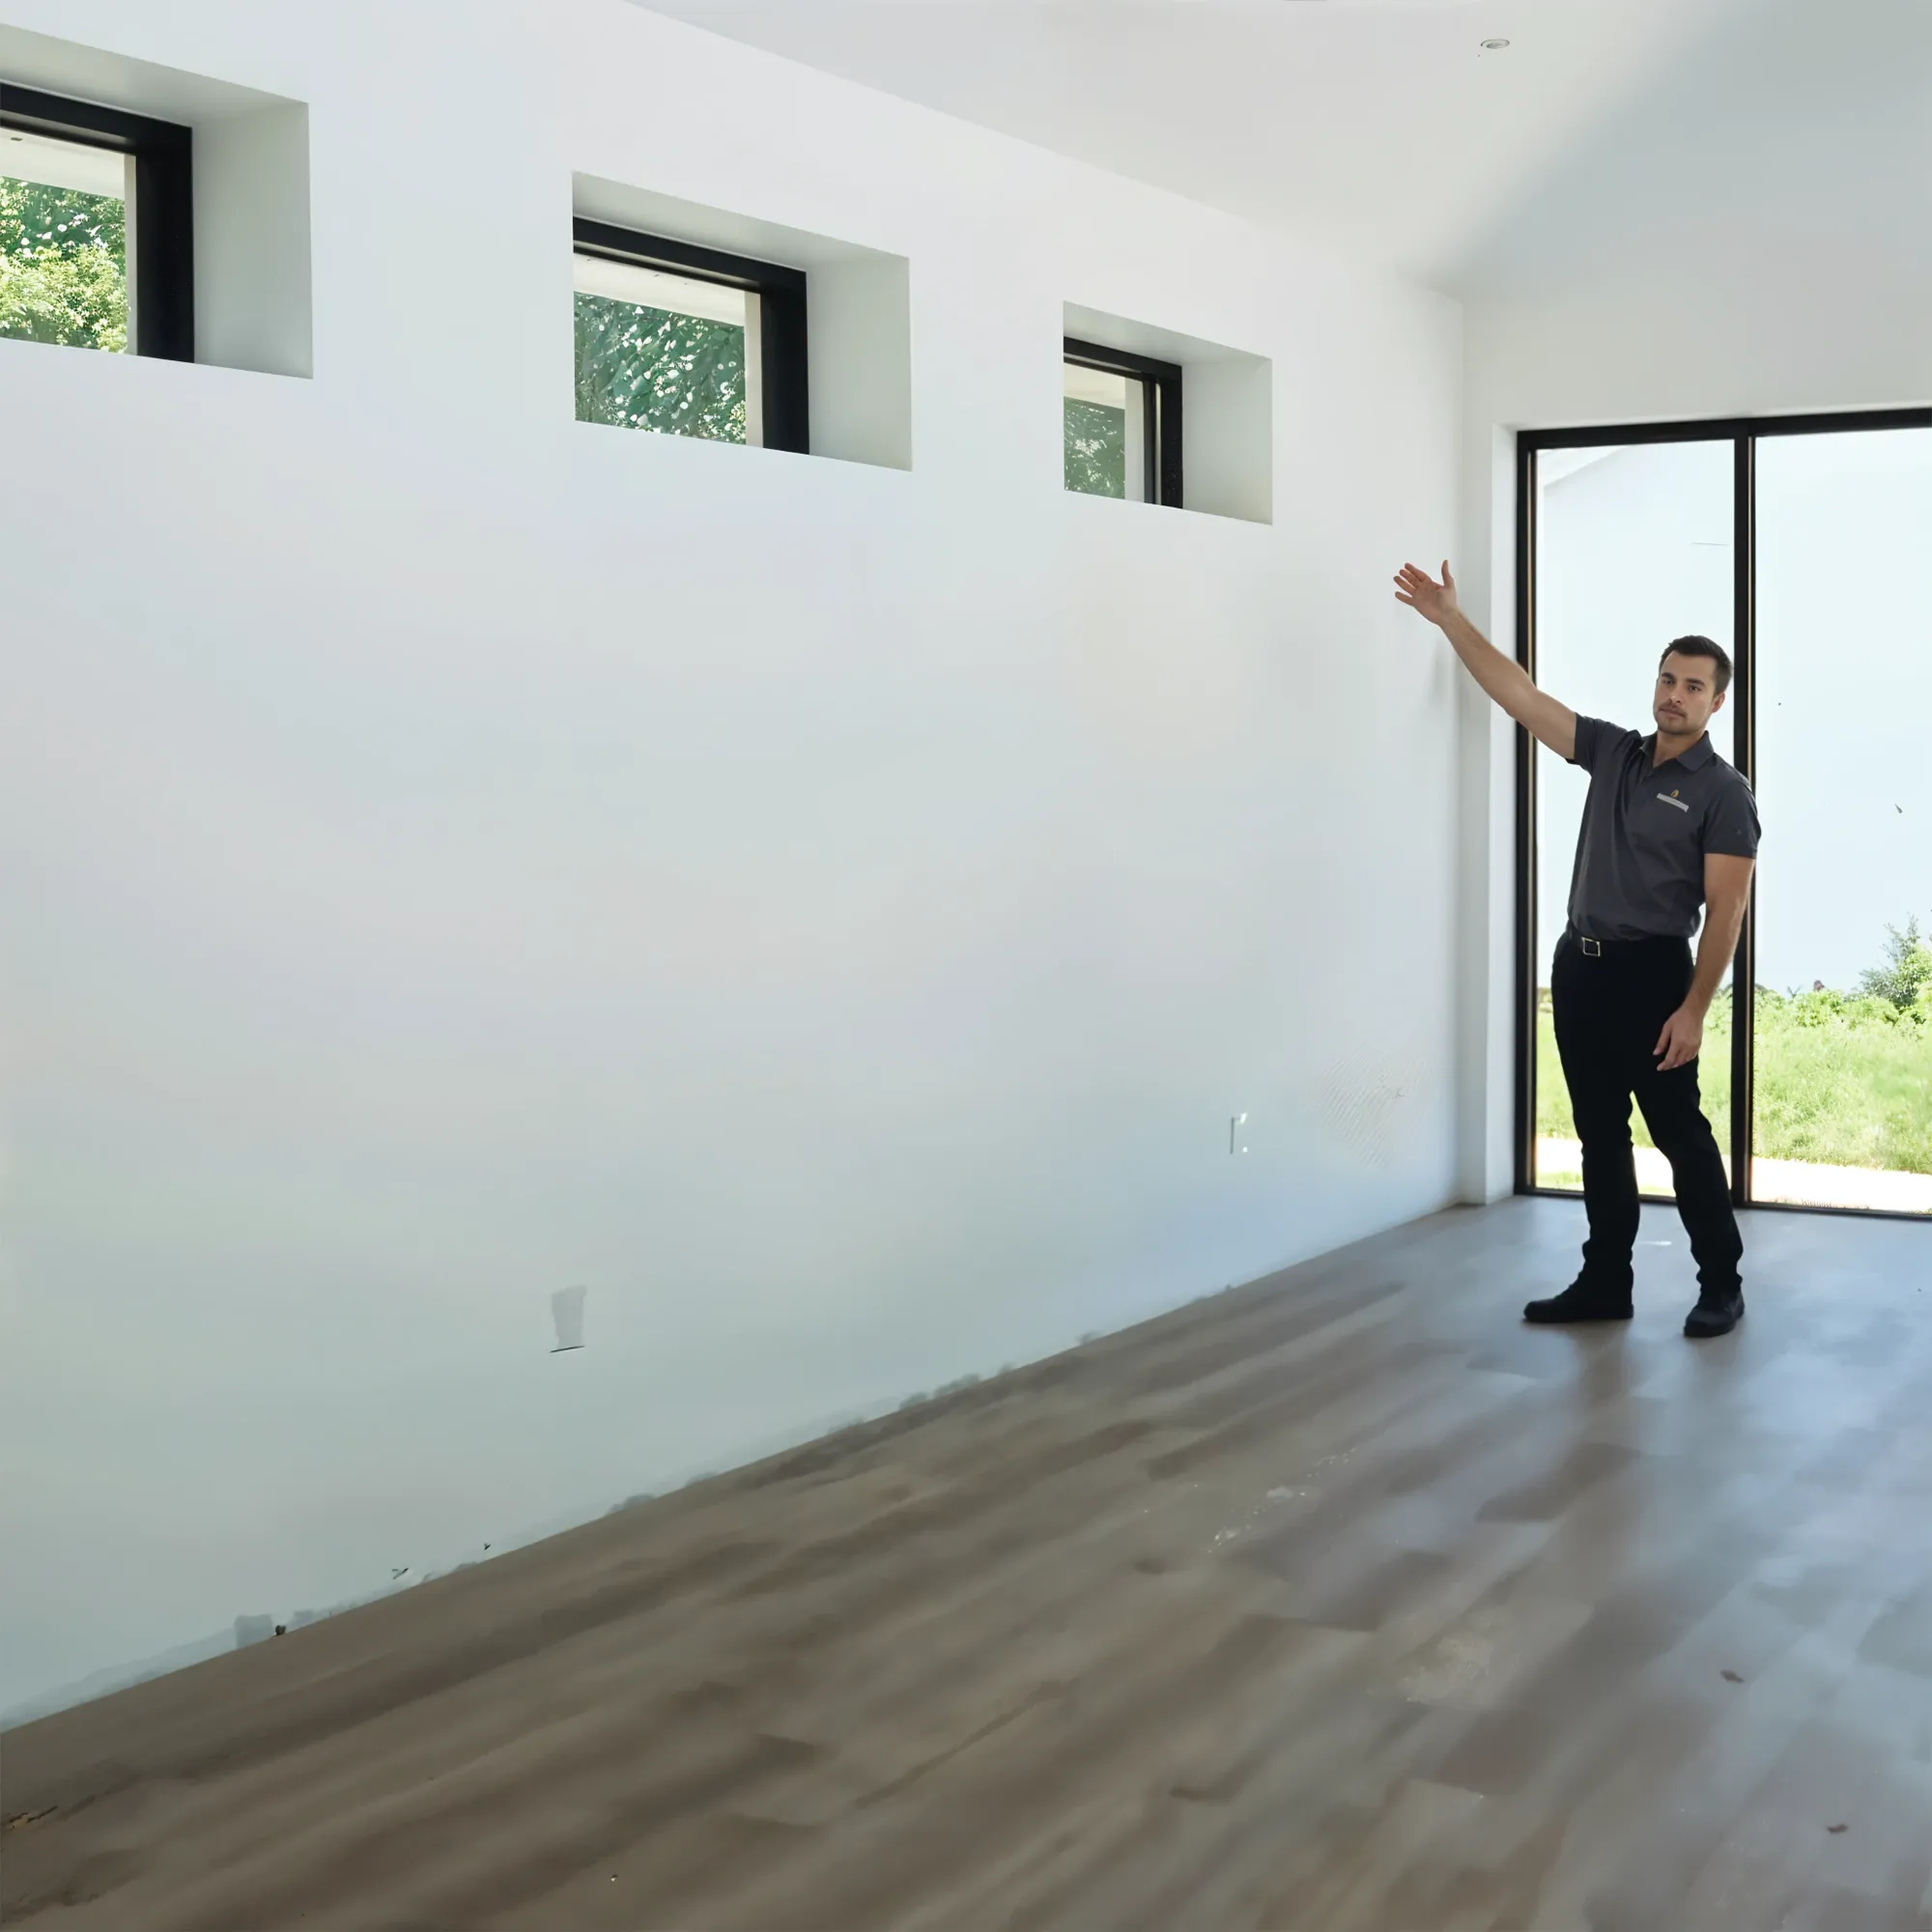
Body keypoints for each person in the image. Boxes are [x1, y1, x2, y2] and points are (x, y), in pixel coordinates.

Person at [1395, 560, 1760, 1338]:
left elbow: (1727, 913)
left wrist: (1695, 1009)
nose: (1675, 694)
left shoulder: (1724, 792)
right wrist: (1449, 619)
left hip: (1655, 977)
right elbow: (1521, 696)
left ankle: (1721, 1285)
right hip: (1580, 967)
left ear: (1716, 702)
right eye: (1668, 679)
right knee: (1599, 1132)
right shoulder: (1614, 753)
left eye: (1694, 686)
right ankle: (1605, 1283)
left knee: (1678, 1135)